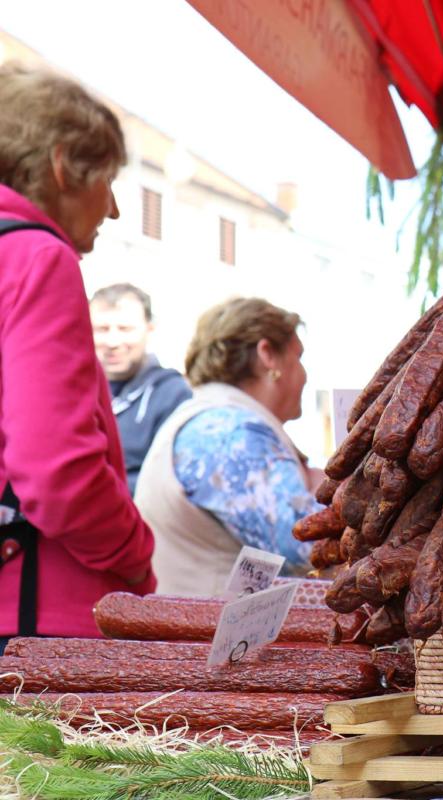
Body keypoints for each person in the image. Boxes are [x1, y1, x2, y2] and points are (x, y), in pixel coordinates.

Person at [0, 64, 156, 647]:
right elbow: (56, 468)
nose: (113, 209)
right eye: (109, 181)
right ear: (63, 165)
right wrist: (135, 553)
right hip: (34, 621)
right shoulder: (38, 255)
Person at [136, 297, 318, 596]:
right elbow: (305, 544)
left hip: (196, 632)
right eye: (298, 356)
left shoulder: (213, 420)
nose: (304, 374)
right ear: (267, 355)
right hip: (205, 636)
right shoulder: (230, 433)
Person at [90, 282, 192, 496]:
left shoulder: (172, 394)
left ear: (149, 329)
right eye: (102, 329)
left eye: (125, 329)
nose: (113, 341)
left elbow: (170, 477)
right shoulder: (75, 391)